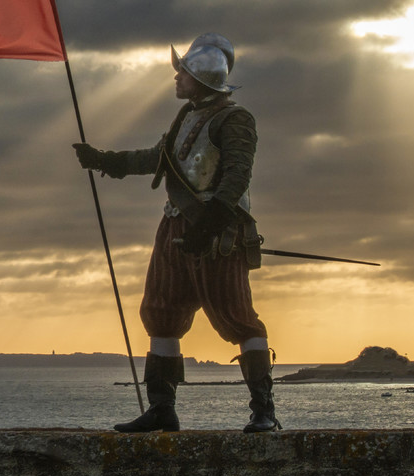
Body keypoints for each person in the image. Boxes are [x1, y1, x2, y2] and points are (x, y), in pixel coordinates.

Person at [73, 33, 280, 433]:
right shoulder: (185, 117)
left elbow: (237, 176)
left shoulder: (235, 119)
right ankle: (162, 409)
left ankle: (263, 411)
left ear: (201, 76)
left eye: (182, 72)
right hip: (174, 227)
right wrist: (104, 160)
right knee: (161, 312)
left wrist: (210, 224)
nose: (176, 78)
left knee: (237, 317)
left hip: (218, 232)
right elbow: (157, 159)